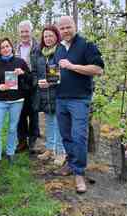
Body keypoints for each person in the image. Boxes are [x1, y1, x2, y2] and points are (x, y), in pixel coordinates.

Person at [54, 16, 104, 193]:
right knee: (66, 135)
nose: (66, 30)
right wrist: (49, 81)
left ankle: (79, 173)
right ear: (59, 30)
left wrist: (73, 66)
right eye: (62, 28)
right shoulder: (59, 48)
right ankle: (71, 164)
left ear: (75, 26)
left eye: (68, 27)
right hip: (61, 99)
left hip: (79, 99)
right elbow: (57, 71)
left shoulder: (86, 44)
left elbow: (98, 69)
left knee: (79, 136)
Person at [0, 37, 31, 167]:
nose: (6, 49)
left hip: (17, 101)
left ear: (11, 47)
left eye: (7, 46)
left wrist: (22, 73)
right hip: (0, 101)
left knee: (12, 128)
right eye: (2, 48)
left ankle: (10, 152)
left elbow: (29, 79)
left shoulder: (20, 62)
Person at [36, 25, 67, 165]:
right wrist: (38, 81)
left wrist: (51, 83)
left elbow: (65, 73)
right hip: (45, 94)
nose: (48, 39)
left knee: (59, 124)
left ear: (56, 36)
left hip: (59, 93)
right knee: (49, 122)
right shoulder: (40, 53)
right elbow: (36, 72)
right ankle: (50, 149)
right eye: (45, 36)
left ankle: (61, 152)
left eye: (50, 36)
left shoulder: (62, 51)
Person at [15, 20, 42, 154]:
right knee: (20, 113)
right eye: (22, 32)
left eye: (27, 31)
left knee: (33, 113)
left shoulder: (38, 47)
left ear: (31, 31)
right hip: (19, 84)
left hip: (32, 83)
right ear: (19, 33)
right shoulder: (16, 47)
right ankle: (22, 141)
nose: (24, 34)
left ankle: (33, 141)